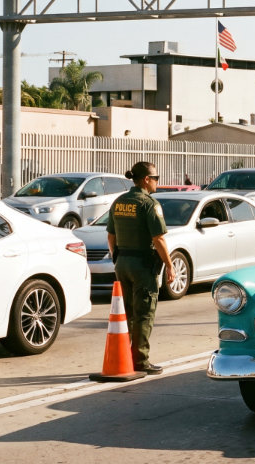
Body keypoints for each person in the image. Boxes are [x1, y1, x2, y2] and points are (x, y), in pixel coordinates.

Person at [106, 161, 176, 375]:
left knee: (126, 312)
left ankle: (123, 356)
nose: (157, 182)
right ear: (146, 179)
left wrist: (116, 257)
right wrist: (170, 265)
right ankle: (140, 360)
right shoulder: (149, 204)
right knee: (144, 313)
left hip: (122, 262)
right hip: (143, 264)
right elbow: (159, 239)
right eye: (156, 178)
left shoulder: (118, 201)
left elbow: (111, 235)